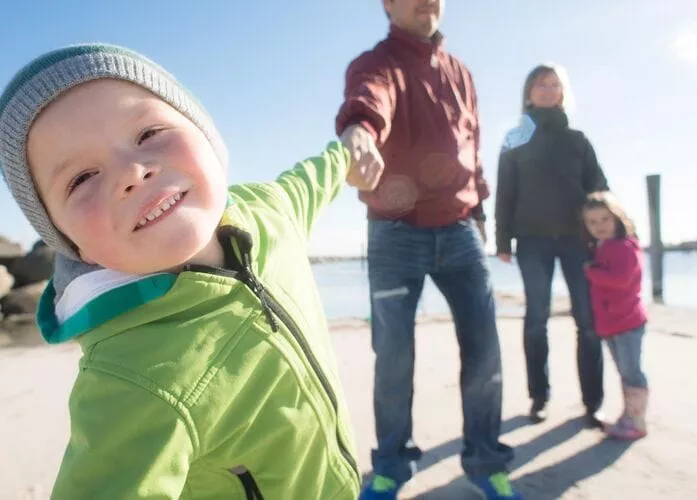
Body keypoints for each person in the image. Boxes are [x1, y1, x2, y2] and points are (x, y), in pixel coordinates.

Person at [0, 43, 384, 499]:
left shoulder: (268, 210)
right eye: (81, 178)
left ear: (207, 136)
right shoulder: (130, 378)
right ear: (71, 244)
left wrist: (348, 149)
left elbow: (310, 178)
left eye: (149, 134)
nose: (133, 172)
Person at [335, 1, 520, 499]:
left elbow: (472, 143)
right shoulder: (377, 63)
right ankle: (392, 466)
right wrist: (358, 132)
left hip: (460, 228)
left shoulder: (461, 72)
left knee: (484, 350)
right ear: (388, 5)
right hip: (394, 232)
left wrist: (480, 209)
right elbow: (368, 103)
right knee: (393, 355)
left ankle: (485, 461)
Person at [495, 63, 609, 427]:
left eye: (553, 84)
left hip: (579, 241)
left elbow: (600, 188)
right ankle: (539, 397)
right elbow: (505, 193)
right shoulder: (515, 138)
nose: (547, 90)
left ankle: (593, 403)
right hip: (532, 240)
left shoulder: (579, 140)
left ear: (563, 92)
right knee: (536, 320)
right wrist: (503, 240)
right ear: (528, 93)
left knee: (588, 321)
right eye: (540, 85)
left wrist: (607, 232)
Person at [582, 192, 649, 440]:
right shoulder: (602, 246)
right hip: (611, 322)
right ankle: (628, 416)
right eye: (592, 222)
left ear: (618, 218)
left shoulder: (624, 246)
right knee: (625, 372)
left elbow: (621, 281)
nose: (599, 226)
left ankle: (637, 422)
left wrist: (592, 272)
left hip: (628, 321)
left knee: (632, 372)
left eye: (604, 219)